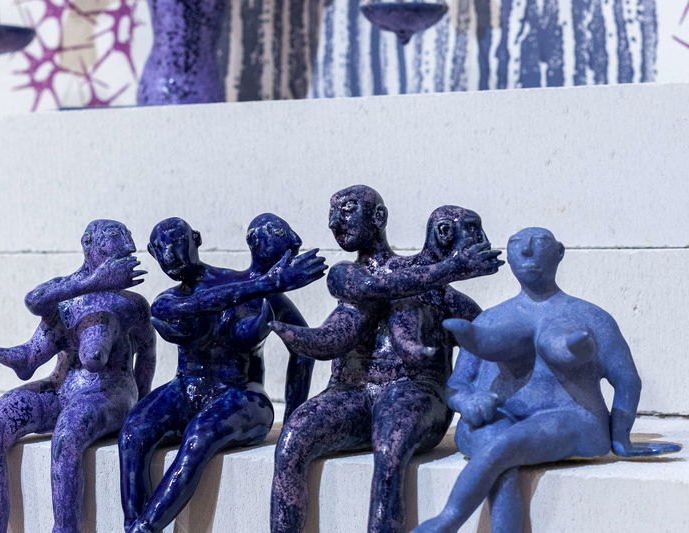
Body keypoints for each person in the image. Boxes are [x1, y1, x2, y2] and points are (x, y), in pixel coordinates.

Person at [414, 227, 682, 533]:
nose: (527, 250)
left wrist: (621, 438)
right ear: (509, 256)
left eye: (539, 242)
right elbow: (458, 384)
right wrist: (467, 401)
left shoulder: (590, 317)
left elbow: (627, 381)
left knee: (502, 448)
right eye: (516, 244)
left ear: (559, 252)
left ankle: (447, 520)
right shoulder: (489, 318)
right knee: (501, 462)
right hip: (495, 417)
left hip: (571, 418)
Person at [269, 185, 503, 533]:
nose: (334, 222)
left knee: (389, 447)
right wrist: (453, 268)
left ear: (378, 216)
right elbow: (372, 289)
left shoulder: (426, 284)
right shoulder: (346, 275)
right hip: (350, 392)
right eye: (331, 213)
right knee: (292, 439)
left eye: (347, 210)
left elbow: (482, 341)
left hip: (415, 390)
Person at [120, 214, 326, 533]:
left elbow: (303, 347)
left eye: (177, 243)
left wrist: (293, 418)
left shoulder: (253, 289)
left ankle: (144, 528)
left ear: (196, 239)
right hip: (185, 389)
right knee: (133, 432)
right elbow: (191, 307)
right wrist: (269, 283)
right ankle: (131, 523)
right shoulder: (169, 300)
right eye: (160, 249)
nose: (170, 255)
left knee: (199, 435)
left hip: (241, 395)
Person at [0, 219, 155, 533]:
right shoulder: (68, 291)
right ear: (89, 244)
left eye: (128, 236)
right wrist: (93, 282)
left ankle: (65, 529)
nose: (128, 245)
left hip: (107, 391)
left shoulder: (131, 305)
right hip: (60, 388)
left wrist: (139, 405)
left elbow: (147, 355)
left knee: (67, 435)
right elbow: (33, 300)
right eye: (116, 236)